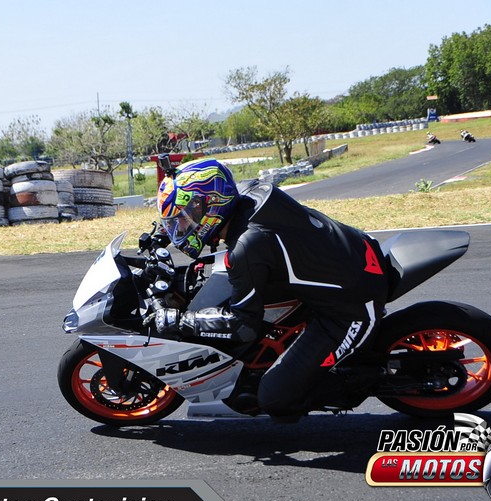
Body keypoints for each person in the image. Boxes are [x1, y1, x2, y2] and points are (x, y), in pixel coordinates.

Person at [154, 158, 389, 422]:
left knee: (276, 398)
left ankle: (361, 380)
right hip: (352, 252)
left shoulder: (247, 247)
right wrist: (162, 233)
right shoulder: (246, 193)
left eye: (185, 218)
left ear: (212, 203)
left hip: (352, 304)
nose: (181, 227)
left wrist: (182, 320)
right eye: (177, 221)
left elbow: (244, 325)